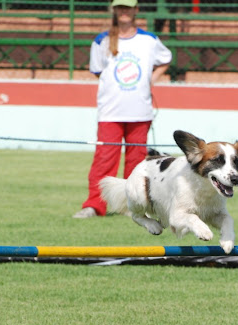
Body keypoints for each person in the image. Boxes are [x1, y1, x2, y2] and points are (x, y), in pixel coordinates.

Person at [73, 0, 172, 218]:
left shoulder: (149, 40)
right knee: (104, 160)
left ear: (137, 9)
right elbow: (99, 71)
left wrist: (151, 80)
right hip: (110, 112)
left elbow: (166, 59)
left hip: (140, 111)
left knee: (136, 163)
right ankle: (94, 205)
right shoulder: (102, 40)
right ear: (114, 10)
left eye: (128, 7)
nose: (124, 11)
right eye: (120, 7)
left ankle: (132, 206)